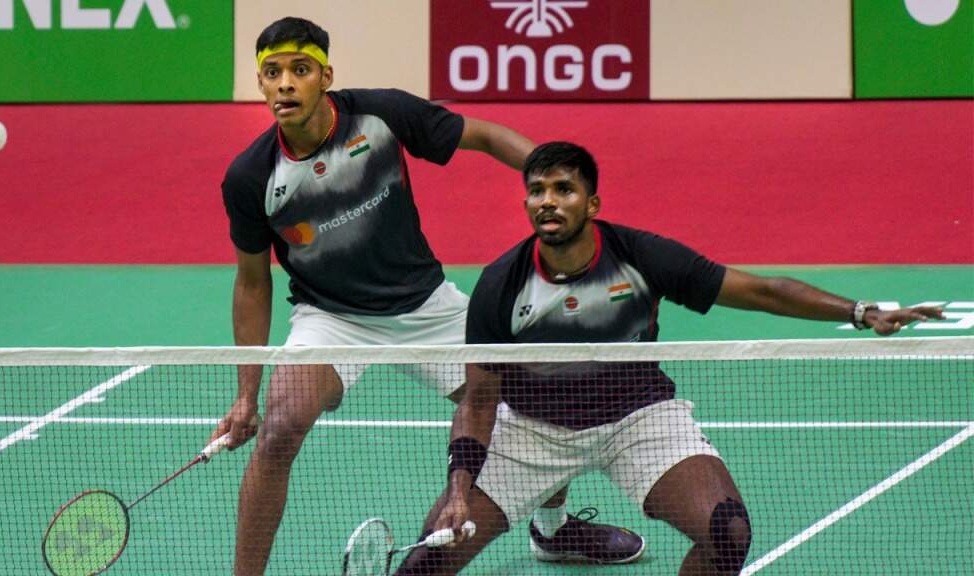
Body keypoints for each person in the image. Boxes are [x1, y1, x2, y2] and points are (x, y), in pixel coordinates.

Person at [210, 18, 643, 575]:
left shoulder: (379, 116)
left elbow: (483, 135)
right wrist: (246, 394)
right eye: (272, 73)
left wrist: (558, 182)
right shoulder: (251, 177)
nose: (286, 83)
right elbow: (252, 282)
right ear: (261, 84)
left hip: (426, 307)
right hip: (332, 318)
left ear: (326, 76)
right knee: (278, 429)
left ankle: (553, 529)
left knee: (537, 402)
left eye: (300, 70)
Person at [395, 141, 945, 575]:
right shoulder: (501, 284)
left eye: (564, 189)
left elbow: (760, 291)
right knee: (426, 563)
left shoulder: (641, 258)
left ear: (592, 204)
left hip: (639, 420)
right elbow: (479, 399)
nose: (548, 201)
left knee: (727, 533)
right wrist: (459, 491)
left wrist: (860, 311)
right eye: (536, 190)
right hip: (533, 431)